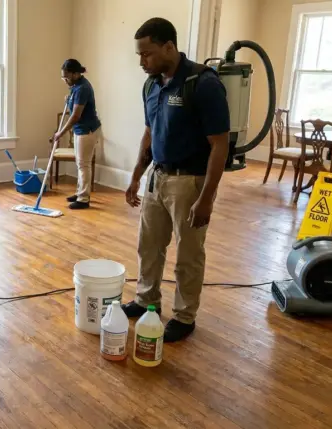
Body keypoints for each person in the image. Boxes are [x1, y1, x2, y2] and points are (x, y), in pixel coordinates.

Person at [121, 18, 230, 342]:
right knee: (149, 247)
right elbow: (149, 133)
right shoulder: (151, 85)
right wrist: (136, 176)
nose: (142, 62)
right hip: (158, 176)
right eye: (139, 55)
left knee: (188, 255)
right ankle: (146, 299)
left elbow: (220, 144)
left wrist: (206, 197)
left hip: (190, 181)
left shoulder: (203, 83)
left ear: (169, 47)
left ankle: (184, 315)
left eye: (148, 54)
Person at [51, 59, 102, 210]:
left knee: (83, 164)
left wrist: (61, 133)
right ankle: (80, 192)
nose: (65, 80)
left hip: (87, 130)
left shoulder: (82, 88)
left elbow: (75, 116)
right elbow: (75, 104)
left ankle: (83, 199)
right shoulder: (75, 86)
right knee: (81, 163)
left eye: (66, 77)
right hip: (80, 130)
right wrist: (69, 98)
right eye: (63, 78)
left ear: (75, 73)